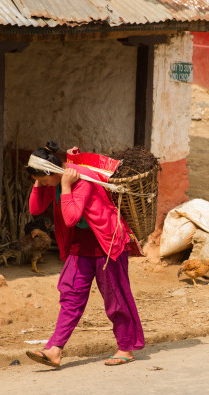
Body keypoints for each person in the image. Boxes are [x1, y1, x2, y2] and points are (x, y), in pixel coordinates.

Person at [24, 141, 145, 367]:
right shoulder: (54, 179)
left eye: (43, 179)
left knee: (115, 297)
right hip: (80, 245)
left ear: (52, 172)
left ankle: (125, 348)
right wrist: (39, 184)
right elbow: (35, 209)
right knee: (71, 294)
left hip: (106, 243)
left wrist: (67, 186)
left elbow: (70, 218)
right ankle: (54, 350)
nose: (42, 183)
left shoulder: (81, 178)